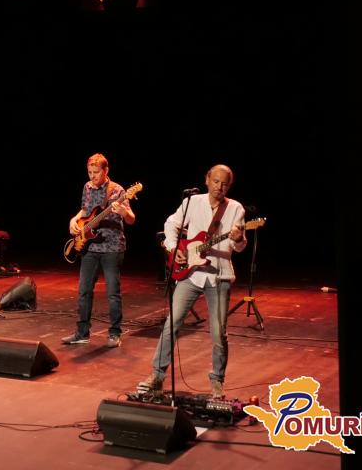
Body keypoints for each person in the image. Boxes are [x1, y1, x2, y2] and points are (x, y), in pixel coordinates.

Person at [138, 164, 247, 398]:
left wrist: (239, 239)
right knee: (172, 324)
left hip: (219, 276)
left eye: (224, 183)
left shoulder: (235, 208)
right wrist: (173, 248)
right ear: (207, 180)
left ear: (229, 185)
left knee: (218, 333)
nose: (219, 187)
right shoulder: (192, 202)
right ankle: (157, 375)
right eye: (216, 181)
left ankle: (217, 381)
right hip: (190, 274)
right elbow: (171, 224)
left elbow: (237, 246)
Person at [62, 153, 135, 348]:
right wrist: (73, 220)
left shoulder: (118, 190)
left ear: (106, 171)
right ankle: (82, 333)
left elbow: (131, 219)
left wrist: (124, 212)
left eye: (96, 172)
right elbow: (85, 211)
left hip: (112, 247)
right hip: (91, 246)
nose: (92, 176)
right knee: (84, 291)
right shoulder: (87, 187)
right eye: (90, 172)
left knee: (112, 293)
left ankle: (114, 333)